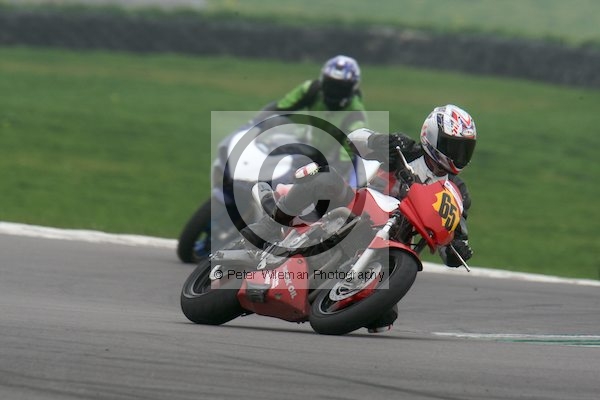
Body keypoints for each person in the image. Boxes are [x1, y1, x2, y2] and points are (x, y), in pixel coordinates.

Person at [242, 104, 477, 332]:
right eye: (453, 146)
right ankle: (269, 226)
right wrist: (379, 141)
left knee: (384, 318)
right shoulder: (406, 151)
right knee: (323, 177)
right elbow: (353, 140)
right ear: (432, 137)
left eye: (464, 149)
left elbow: (448, 235)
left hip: (392, 241)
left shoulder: (457, 191)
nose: (458, 155)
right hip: (359, 206)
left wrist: (457, 248)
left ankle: (330, 294)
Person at [250, 55, 368, 183]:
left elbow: (343, 161)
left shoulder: (355, 117)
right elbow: (280, 107)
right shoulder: (312, 89)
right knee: (274, 131)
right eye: (331, 85)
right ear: (323, 82)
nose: (334, 91)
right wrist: (253, 125)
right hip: (304, 144)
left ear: (352, 88)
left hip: (327, 163)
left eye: (341, 88)